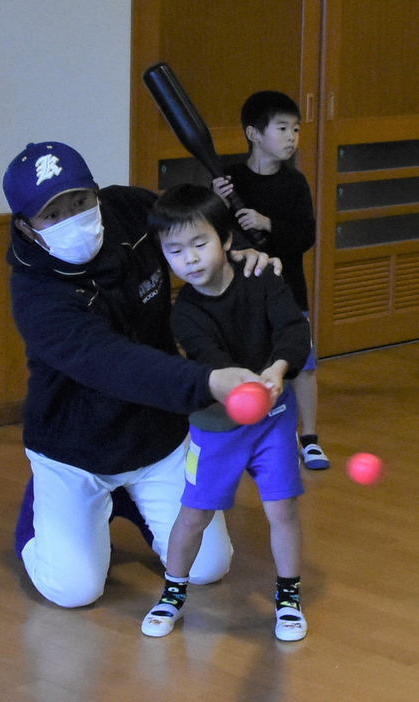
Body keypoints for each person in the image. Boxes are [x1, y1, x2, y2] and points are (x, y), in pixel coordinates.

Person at [2, 141, 276, 608]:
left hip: (156, 436)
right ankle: (46, 508)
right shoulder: (35, 294)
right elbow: (114, 363)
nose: (73, 217)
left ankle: (126, 499)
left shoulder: (131, 210)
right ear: (28, 228)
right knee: (75, 591)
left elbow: (196, 228)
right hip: (75, 451)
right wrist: (208, 381)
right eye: (53, 214)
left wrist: (239, 250)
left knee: (208, 567)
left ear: (95, 192)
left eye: (80, 200)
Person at [141, 183, 311, 642]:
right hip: (217, 430)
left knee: (282, 509)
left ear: (228, 241)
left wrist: (277, 369)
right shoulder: (184, 314)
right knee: (193, 515)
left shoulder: (263, 279)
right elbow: (212, 364)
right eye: (175, 251)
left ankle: (288, 594)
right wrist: (251, 382)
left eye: (200, 243)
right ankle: (173, 591)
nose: (190, 258)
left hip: (273, 421)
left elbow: (294, 332)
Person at [212, 91, 329, 470]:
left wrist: (268, 224)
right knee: (248, 360)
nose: (293, 136)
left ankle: (308, 437)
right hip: (244, 292)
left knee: (303, 363)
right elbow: (213, 233)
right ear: (254, 133)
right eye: (282, 128)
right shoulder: (229, 180)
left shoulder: (295, 184)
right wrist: (214, 202)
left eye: (296, 128)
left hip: (289, 289)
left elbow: (305, 236)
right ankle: (252, 435)